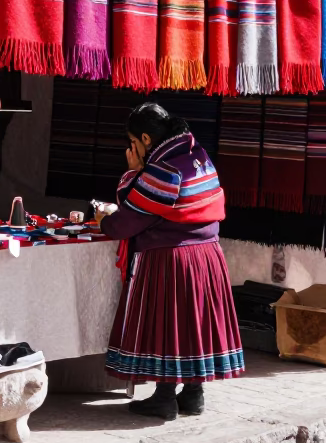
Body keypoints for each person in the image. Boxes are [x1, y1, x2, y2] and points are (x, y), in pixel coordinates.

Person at [96, 102, 245, 420]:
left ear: (146, 139)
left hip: (171, 258)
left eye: (133, 142)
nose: (131, 149)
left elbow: (127, 221)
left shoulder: (163, 170)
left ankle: (164, 397)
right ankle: (193, 393)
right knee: (193, 325)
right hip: (207, 255)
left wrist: (128, 179)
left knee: (169, 326)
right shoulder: (197, 156)